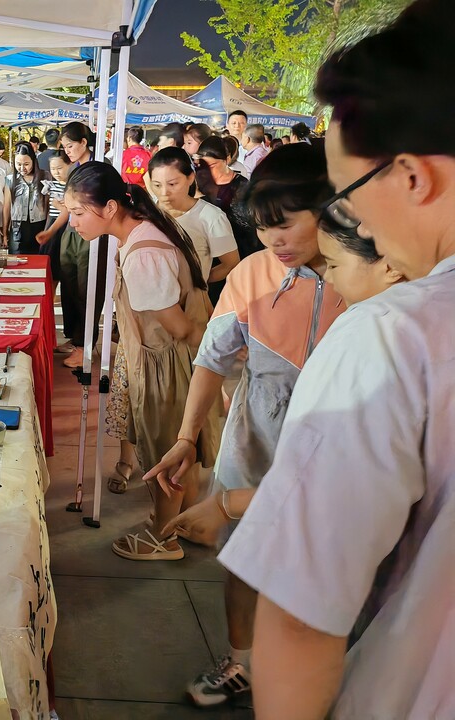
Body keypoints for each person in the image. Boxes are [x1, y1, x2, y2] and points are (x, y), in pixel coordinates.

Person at [218, 2, 455, 716]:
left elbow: (299, 612)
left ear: (413, 176)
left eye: (345, 198)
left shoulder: (396, 337)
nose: (345, 229)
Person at [144, 144, 344, 707]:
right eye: (262, 228)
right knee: (243, 552)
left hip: (331, 433)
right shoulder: (256, 273)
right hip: (257, 425)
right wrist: (187, 438)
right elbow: (212, 355)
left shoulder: (369, 280)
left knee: (325, 547)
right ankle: (241, 661)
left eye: (285, 226)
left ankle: (314, 668)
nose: (273, 241)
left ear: (331, 210)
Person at [61, 162, 217, 562]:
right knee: (186, 452)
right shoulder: (147, 229)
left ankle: (162, 538)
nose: (72, 222)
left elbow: (178, 328)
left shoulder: (142, 254)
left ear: (110, 207)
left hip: (167, 363)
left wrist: (220, 353)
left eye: (78, 213)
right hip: (168, 359)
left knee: (167, 452)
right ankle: (188, 524)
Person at [37, 122, 106, 368]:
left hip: (91, 235)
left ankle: (84, 345)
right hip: (70, 232)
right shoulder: (73, 169)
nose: (67, 151)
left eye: (70, 145)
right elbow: (66, 207)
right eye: (64, 147)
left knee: (86, 288)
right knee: (68, 285)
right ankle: (75, 339)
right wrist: (51, 232)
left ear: (84, 142)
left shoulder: (99, 168)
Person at [147, 148, 239, 305]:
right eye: (157, 184)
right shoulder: (146, 215)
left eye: (172, 184)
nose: (164, 192)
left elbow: (230, 263)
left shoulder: (211, 217)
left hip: (189, 305)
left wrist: (198, 280)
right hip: (148, 303)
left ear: (190, 178)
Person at [195, 136, 261, 262]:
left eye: (212, 165)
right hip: (208, 251)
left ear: (227, 159)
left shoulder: (243, 187)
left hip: (240, 250)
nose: (207, 170)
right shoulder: (199, 185)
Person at [3, 142, 48, 255]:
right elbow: (7, 207)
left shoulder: (45, 177)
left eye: (26, 164)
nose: (22, 168)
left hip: (39, 226)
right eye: (18, 164)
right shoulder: (10, 180)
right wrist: (5, 233)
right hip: (18, 228)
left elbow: (48, 205)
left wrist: (48, 230)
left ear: (33, 161)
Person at [40, 150, 70, 289]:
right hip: (52, 224)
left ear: (69, 165)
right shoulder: (51, 185)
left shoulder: (72, 187)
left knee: (61, 268)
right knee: (50, 269)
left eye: (60, 168)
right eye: (53, 169)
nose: (56, 172)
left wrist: (59, 206)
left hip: (66, 227)